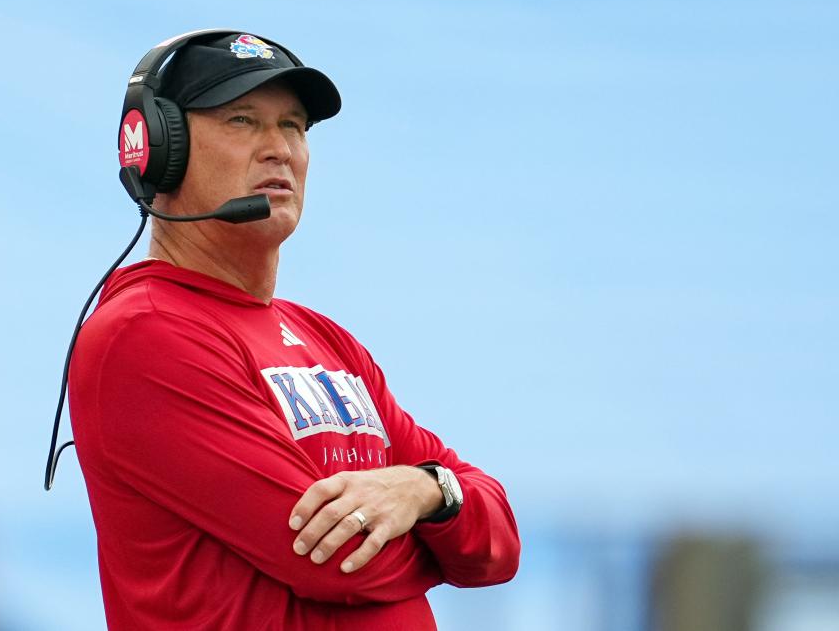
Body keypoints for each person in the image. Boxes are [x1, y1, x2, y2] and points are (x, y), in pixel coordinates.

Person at [69, 31, 520, 630]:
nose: (279, 148)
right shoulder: (143, 334)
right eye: (242, 120)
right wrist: (444, 539)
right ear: (158, 148)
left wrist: (424, 490)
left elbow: (499, 544)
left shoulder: (326, 340)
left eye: (294, 126)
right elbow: (335, 562)